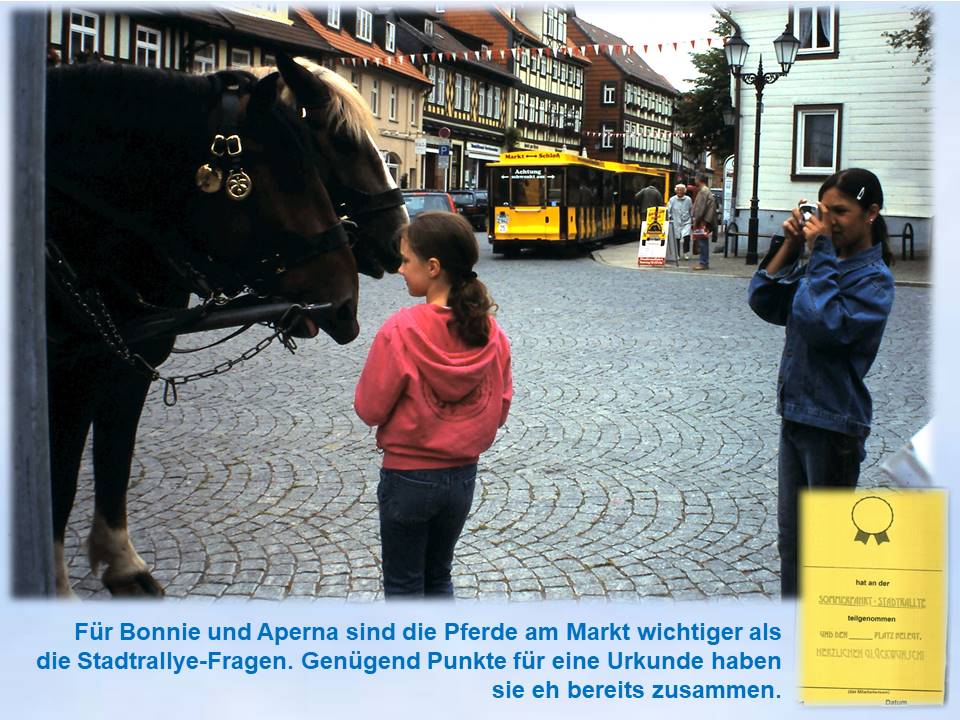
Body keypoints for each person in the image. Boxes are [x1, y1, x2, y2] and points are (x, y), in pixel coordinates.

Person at [747, 168, 895, 599]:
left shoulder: (874, 279)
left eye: (841, 212)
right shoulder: (823, 264)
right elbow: (764, 300)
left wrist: (821, 253)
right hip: (796, 413)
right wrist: (792, 244)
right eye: (823, 210)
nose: (828, 220)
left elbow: (825, 325)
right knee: (792, 545)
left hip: (834, 425)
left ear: (871, 213)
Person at [354, 212, 513, 599]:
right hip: (461, 479)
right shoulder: (491, 333)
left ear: (433, 266)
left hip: (408, 476)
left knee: (404, 585)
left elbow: (370, 409)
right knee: (438, 577)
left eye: (406, 260)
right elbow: (501, 407)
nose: (400, 269)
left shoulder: (400, 329)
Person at [691, 173, 717, 270]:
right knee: (703, 241)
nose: (695, 180)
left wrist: (696, 220)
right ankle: (704, 262)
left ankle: (703, 263)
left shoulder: (703, 191)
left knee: (702, 242)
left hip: (703, 220)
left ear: (699, 180)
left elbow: (700, 208)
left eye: (695, 178)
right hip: (706, 219)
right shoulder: (706, 191)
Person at [667, 183, 693, 260]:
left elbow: (691, 209)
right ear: (676, 191)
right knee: (676, 238)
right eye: (678, 190)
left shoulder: (688, 199)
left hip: (686, 221)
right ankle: (677, 254)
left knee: (687, 236)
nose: (679, 191)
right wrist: (669, 218)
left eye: (681, 190)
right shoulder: (672, 199)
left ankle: (686, 252)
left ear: (684, 191)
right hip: (676, 221)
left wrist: (692, 218)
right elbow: (669, 210)